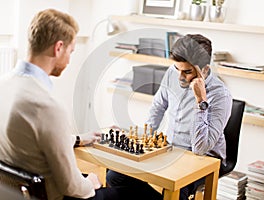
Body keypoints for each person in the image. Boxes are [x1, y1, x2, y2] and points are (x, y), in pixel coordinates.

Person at [0, 8, 138, 200]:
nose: (69, 60)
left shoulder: (3, 84)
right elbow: (71, 186)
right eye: (70, 52)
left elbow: (31, 136)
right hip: (55, 196)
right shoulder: (46, 106)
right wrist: (91, 181)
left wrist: (77, 139)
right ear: (58, 48)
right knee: (132, 191)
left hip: (16, 192)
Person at [106, 34, 233, 199]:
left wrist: (200, 101)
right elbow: (159, 105)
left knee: (177, 192)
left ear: (205, 69)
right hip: (171, 148)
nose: (180, 77)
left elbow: (200, 149)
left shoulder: (220, 95)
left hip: (204, 158)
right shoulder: (173, 73)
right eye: (177, 69)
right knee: (114, 176)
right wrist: (144, 140)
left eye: (187, 72)